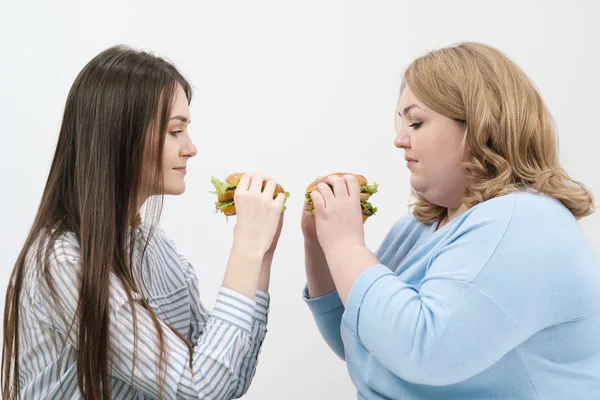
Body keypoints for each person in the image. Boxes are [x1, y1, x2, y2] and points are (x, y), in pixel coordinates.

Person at [302, 42, 600, 399]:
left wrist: (346, 246)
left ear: (481, 127)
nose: (400, 139)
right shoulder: (420, 227)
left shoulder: (524, 222)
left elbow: (422, 351)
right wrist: (320, 246)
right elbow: (363, 337)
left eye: (416, 121)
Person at [2, 45, 285, 399]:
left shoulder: (157, 249)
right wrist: (246, 246)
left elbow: (227, 376)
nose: (191, 147)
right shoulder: (63, 263)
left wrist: (261, 257)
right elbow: (201, 389)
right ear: (122, 136)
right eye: (175, 131)